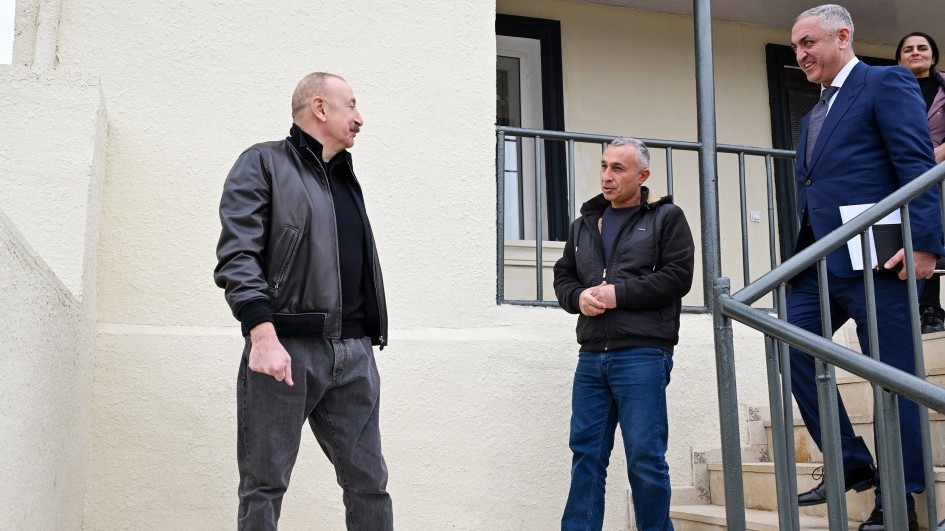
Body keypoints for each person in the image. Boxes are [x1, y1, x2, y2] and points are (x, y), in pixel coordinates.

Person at [214, 72, 393, 531]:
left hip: (354, 353)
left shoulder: (345, 177)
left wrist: (364, 341)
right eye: (351, 105)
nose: (359, 118)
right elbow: (238, 255)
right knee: (264, 485)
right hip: (286, 347)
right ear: (319, 107)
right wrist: (262, 333)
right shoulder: (264, 163)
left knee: (370, 484)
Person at [788, 6, 943, 530]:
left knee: (892, 379)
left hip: (880, 261)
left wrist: (924, 244)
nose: (800, 54)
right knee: (792, 346)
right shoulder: (812, 116)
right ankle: (852, 462)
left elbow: (916, 165)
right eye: (795, 47)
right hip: (819, 262)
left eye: (808, 42)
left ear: (842, 36)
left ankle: (899, 502)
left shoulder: (886, 82)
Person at [553, 138, 695, 531]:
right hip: (591, 355)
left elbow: (678, 276)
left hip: (643, 354)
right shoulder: (584, 224)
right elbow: (564, 276)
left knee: (645, 459)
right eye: (604, 166)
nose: (607, 175)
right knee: (586, 455)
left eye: (618, 168)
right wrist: (578, 297)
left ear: (642, 175)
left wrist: (619, 294)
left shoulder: (666, 217)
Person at [895, 31, 945, 333]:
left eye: (922, 48)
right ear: (900, 58)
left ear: (933, 56)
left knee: (929, 237)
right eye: (908, 49)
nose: (915, 52)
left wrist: (939, 154)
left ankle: (929, 308)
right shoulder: (891, 88)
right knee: (901, 237)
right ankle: (904, 306)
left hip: (936, 173)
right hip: (897, 175)